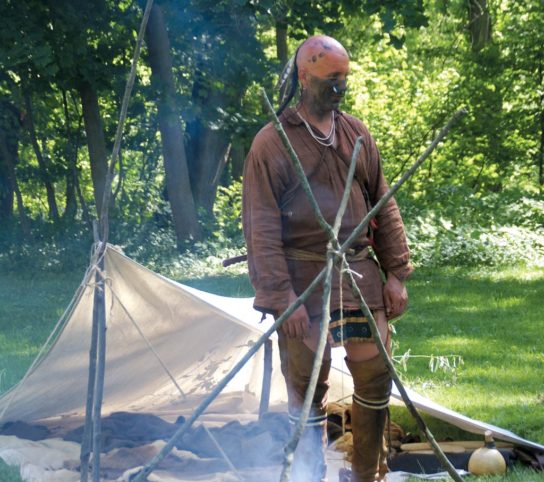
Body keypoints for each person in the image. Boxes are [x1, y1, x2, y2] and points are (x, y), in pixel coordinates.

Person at [242, 35, 413, 482]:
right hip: (303, 279)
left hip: (359, 275)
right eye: (329, 79)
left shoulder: (356, 133)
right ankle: (308, 475)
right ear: (304, 76)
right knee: (305, 386)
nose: (339, 88)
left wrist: (395, 273)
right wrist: (283, 298)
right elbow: (260, 229)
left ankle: (366, 475)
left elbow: (384, 204)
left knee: (375, 377)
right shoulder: (271, 144)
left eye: (344, 79)